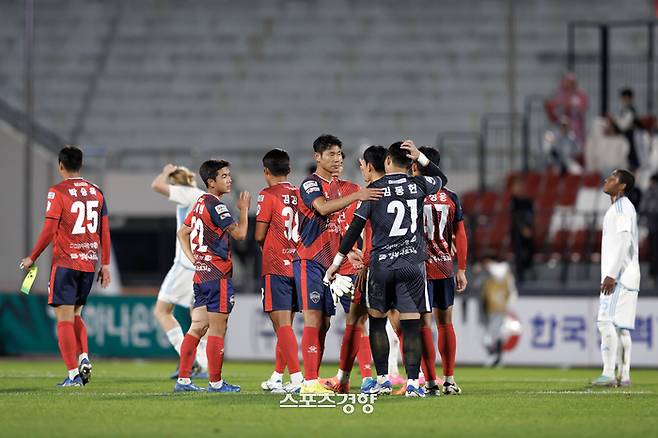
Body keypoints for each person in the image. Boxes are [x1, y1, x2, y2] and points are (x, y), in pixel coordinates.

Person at [325, 140, 446, 398]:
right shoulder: (418, 184)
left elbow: (355, 229)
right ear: (410, 163)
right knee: (412, 326)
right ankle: (413, 383)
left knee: (377, 324)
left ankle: (381, 380)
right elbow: (442, 179)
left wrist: (336, 263)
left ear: (387, 162)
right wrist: (421, 158)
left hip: (381, 266)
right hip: (412, 266)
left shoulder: (374, 189)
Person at [20, 145, 112, 387]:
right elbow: (104, 231)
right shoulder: (97, 192)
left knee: (63, 319)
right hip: (89, 264)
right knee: (76, 314)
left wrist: (32, 257)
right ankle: (83, 357)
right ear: (80, 165)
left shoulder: (57, 192)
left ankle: (73, 376)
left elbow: (50, 229)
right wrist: (106, 264)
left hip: (65, 262)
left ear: (60, 166)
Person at [174, 159, 251, 392]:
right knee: (218, 329)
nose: (229, 179)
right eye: (224, 176)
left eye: (229, 175)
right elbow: (239, 234)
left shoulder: (199, 203)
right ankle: (216, 383)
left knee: (196, 327)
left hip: (201, 276)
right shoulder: (217, 206)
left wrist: (194, 259)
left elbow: (182, 232)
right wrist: (244, 210)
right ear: (211, 182)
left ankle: (183, 380)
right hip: (218, 275)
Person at [322, 145, 386, 394]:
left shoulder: (361, 192)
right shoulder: (394, 191)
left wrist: (340, 259)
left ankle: (366, 378)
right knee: (399, 322)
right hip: (400, 264)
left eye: (340, 157)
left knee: (362, 321)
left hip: (369, 267)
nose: (339, 162)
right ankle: (419, 379)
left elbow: (353, 229)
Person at [412, 146, 468, 395]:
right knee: (445, 323)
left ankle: (431, 381)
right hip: (445, 265)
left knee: (424, 324)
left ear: (415, 167)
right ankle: (449, 380)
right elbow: (461, 235)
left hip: (418, 267)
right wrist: (462, 269)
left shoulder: (413, 194)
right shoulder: (451, 196)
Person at [150, 164, 208, 378]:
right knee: (199, 316)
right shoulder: (202, 196)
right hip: (203, 264)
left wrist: (165, 172)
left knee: (162, 311)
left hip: (185, 265)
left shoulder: (186, 193)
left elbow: (156, 185)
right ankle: (203, 363)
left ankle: (188, 357)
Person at [254, 149, 304, 394]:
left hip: (276, 265)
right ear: (289, 170)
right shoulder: (301, 194)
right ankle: (276, 377)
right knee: (287, 327)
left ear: (266, 171)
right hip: (299, 265)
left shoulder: (267, 195)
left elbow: (259, 235)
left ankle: (296, 380)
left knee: (281, 325)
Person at [592, 169, 640, 387]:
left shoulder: (620, 208)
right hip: (629, 274)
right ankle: (625, 374)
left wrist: (611, 275)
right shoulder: (622, 208)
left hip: (619, 275)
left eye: (612, 178)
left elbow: (624, 242)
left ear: (621, 187)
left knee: (605, 321)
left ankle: (609, 373)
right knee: (621, 327)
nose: (606, 180)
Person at [480, 254, 517, 367]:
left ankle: (495, 356)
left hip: (496, 307)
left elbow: (497, 270)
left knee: (493, 333)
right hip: (495, 306)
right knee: (495, 332)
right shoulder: (503, 274)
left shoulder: (499, 271)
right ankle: (496, 356)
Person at [545, 72, 589, 149]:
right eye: (566, 82)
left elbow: (583, 109)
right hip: (560, 127)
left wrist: (570, 106)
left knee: (574, 145)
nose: (568, 84)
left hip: (575, 128)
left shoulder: (580, 95)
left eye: (570, 82)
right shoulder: (559, 95)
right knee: (551, 138)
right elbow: (554, 111)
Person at [607, 88, 641, 171]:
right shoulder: (626, 109)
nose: (622, 100)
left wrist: (615, 119)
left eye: (624, 98)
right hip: (628, 135)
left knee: (632, 154)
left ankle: (634, 170)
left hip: (631, 135)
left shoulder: (630, 110)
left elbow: (624, 125)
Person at [509, 178, 534, 283]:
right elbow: (514, 217)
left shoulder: (528, 202)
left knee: (530, 250)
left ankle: (527, 269)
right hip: (517, 231)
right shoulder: (513, 202)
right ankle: (520, 275)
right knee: (519, 251)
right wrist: (522, 228)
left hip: (528, 230)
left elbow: (531, 216)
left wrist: (528, 228)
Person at [640, 173, 658, 285]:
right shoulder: (649, 192)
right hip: (653, 226)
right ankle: (654, 274)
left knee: (654, 252)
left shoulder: (651, 192)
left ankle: (654, 274)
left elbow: (644, 207)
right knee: (654, 252)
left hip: (653, 225)